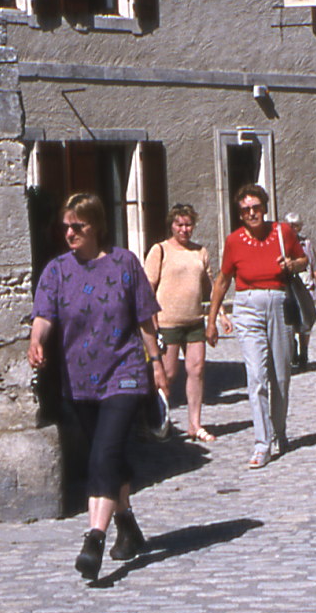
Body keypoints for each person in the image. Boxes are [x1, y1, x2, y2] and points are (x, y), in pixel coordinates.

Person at [29, 193, 171, 580]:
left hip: (124, 373)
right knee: (109, 457)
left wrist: (156, 365)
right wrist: (36, 339)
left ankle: (94, 538)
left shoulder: (125, 263)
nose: (70, 232)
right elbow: (44, 315)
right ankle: (127, 525)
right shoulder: (57, 271)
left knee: (102, 457)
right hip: (79, 381)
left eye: (79, 226)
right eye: (66, 226)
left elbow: (145, 320)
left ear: (97, 227)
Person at [207, 183, 305, 469]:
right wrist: (212, 320)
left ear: (265, 207)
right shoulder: (234, 241)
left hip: (279, 302)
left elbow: (303, 260)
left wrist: (291, 264)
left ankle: (279, 432)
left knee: (281, 377)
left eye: (256, 208)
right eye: (246, 210)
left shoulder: (282, 232)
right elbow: (223, 280)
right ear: (240, 214)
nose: (252, 213)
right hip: (246, 305)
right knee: (257, 376)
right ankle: (262, 443)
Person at [144, 204, 215, 442]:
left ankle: (195, 424)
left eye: (188, 224)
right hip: (167, 322)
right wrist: (151, 320)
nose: (184, 229)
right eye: (179, 224)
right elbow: (147, 288)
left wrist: (219, 315)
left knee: (197, 370)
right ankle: (159, 420)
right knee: (168, 374)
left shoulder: (200, 251)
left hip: (194, 321)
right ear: (171, 226)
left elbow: (211, 287)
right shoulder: (160, 250)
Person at [284, 212, 316, 371]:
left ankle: (304, 353)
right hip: (290, 289)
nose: (293, 229)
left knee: (306, 322)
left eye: (296, 226)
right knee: (290, 321)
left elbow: (315, 267)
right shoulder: (282, 245)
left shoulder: (306, 245)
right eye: (290, 226)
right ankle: (293, 349)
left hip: (306, 287)